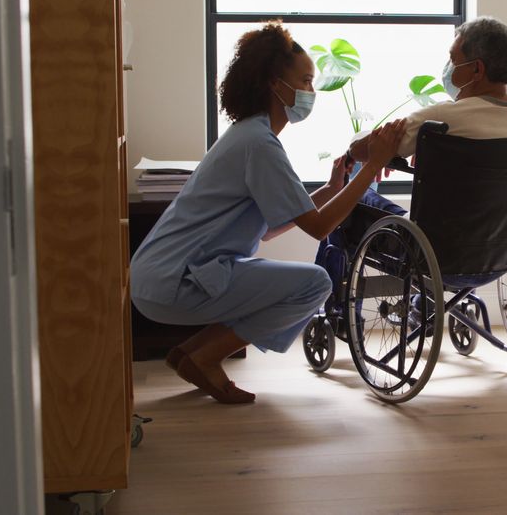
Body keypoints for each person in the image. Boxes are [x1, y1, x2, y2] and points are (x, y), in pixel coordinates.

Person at [130, 22, 405, 404]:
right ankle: (206, 357)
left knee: (289, 279)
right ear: (277, 85)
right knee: (315, 283)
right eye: (306, 81)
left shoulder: (249, 134)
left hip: (157, 276)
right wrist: (373, 166)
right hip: (173, 282)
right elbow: (319, 226)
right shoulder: (260, 144)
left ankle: (189, 355)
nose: (312, 92)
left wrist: (331, 187)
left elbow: (270, 229)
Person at [330, 16, 507, 290]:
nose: (449, 68)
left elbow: (365, 148)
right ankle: (426, 305)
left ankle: (335, 309)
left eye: (453, 60)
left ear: (477, 70)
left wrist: (356, 146)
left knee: (351, 195)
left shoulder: (442, 119)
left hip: (435, 258)